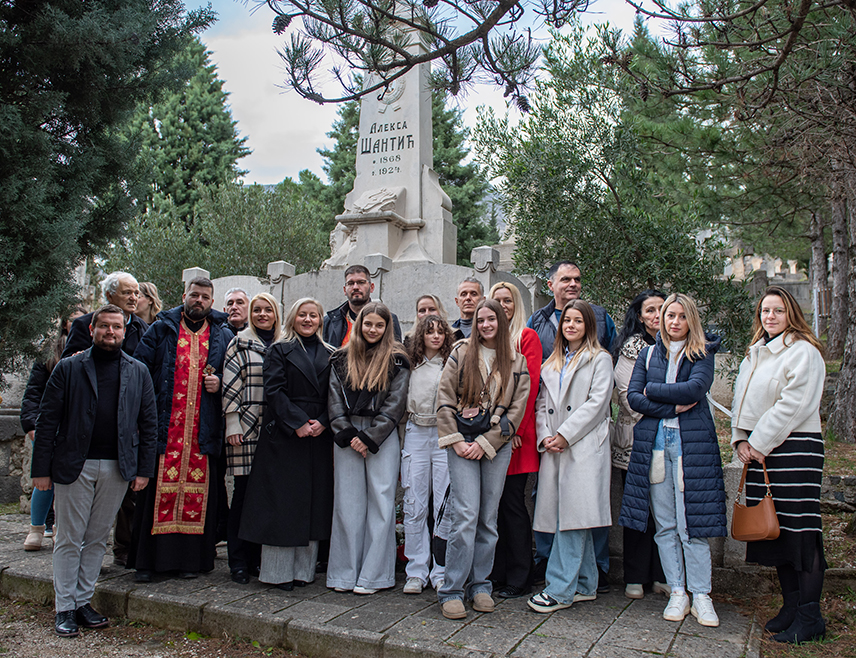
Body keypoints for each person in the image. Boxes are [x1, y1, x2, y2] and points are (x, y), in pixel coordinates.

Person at [31, 304, 157, 637]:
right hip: (75, 464)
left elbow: (149, 422)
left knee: (97, 538)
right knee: (70, 538)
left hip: (117, 467)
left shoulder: (138, 371)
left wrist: (143, 469)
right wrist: (40, 470)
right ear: (92, 330)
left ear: (124, 331)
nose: (111, 332)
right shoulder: (69, 368)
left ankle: (84, 600)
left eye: (117, 327)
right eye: (104, 327)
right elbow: (47, 423)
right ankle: (65, 607)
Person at [618, 293, 726, 628]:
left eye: (681, 316)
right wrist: (669, 403)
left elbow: (695, 389)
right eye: (669, 316)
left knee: (692, 524)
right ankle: (678, 591)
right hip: (655, 445)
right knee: (664, 524)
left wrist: (655, 392)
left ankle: (702, 594)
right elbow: (635, 397)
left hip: (691, 445)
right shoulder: (649, 354)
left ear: (690, 319)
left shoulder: (702, 352)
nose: (674, 322)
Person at [731, 286, 827, 644]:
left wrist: (757, 443)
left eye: (778, 311)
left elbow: (794, 405)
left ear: (792, 314)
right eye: (765, 311)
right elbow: (743, 402)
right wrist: (740, 439)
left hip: (794, 449)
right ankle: (791, 607)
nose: (770, 317)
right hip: (760, 451)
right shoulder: (756, 353)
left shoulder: (804, 352)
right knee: (777, 531)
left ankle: (810, 615)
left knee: (801, 532)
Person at [129, 277, 232, 581]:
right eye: (195, 295)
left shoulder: (221, 334)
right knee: (155, 495)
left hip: (203, 431)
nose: (199, 301)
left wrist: (221, 382)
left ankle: (191, 562)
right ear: (184, 295)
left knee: (198, 495)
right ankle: (149, 563)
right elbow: (139, 368)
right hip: (166, 427)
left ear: (212, 302)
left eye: (205, 297)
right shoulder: (162, 328)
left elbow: (235, 375)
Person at [435, 299, 530, 620]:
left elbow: (516, 410)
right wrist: (459, 442)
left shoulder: (517, 362)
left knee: (488, 518)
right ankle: (451, 589)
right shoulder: (460, 352)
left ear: (502, 322)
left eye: (492, 319)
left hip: (495, 446)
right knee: (465, 514)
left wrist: (487, 443)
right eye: (481, 320)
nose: (486, 325)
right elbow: (444, 397)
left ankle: (481, 585)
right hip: (460, 442)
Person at [526, 261, 615, 591]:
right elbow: (540, 402)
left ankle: (559, 589)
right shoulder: (553, 361)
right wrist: (547, 435)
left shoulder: (600, 359)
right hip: (554, 447)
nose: (572, 325)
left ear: (589, 325)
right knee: (565, 516)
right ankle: (586, 584)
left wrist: (563, 435)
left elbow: (596, 404)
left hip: (582, 446)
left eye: (579, 320)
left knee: (574, 520)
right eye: (568, 320)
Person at [240, 298, 335, 591]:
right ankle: (277, 572)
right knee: (282, 506)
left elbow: (335, 395)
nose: (308, 320)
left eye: (314, 315)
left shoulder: (332, 354)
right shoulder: (279, 350)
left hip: (318, 436)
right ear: (293, 318)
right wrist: (297, 423)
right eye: (302, 315)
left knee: (311, 504)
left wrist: (323, 421)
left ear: (321, 320)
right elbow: (274, 391)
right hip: (285, 435)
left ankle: (303, 572)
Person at [326, 302, 410, 594]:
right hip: (347, 435)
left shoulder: (398, 361)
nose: (373, 329)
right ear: (359, 325)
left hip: (381, 437)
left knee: (382, 502)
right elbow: (334, 402)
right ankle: (343, 573)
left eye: (379, 325)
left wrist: (370, 437)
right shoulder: (340, 358)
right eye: (368, 324)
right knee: (347, 504)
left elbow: (395, 406)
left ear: (387, 328)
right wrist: (349, 435)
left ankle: (375, 575)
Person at [612, 291, 670, 600]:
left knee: (665, 510)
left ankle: (662, 575)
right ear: (640, 315)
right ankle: (635, 575)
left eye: (663, 308)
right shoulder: (630, 349)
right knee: (637, 510)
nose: (657, 314)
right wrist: (666, 411)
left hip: (669, 440)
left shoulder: (679, 348)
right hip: (634, 439)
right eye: (651, 309)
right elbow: (627, 395)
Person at [221, 293, 282, 584]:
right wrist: (232, 422)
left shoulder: (283, 343)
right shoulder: (239, 343)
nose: (261, 314)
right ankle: (238, 561)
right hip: (246, 427)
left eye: (267, 310)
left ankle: (259, 558)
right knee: (243, 495)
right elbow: (230, 382)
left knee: (266, 496)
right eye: (256, 310)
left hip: (276, 431)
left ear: (276, 313)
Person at [487, 282, 542, 599]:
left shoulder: (526, 337)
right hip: (489, 434)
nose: (503, 305)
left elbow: (530, 388)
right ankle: (497, 572)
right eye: (497, 300)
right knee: (493, 507)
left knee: (512, 505)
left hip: (516, 435)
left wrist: (516, 431)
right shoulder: (489, 339)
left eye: (508, 300)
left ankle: (520, 576)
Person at [20, 307, 85, 551]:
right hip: (49, 427)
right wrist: (30, 424)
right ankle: (36, 529)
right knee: (43, 480)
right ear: (65, 324)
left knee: (67, 484)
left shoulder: (92, 351)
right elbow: (33, 391)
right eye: (73, 321)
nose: (77, 324)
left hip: (75, 427)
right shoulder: (49, 352)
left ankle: (60, 528)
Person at [401, 314, 455, 595]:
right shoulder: (411, 365)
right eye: (429, 331)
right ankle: (416, 570)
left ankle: (441, 570)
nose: (435, 336)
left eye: (440, 332)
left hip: (443, 434)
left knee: (443, 507)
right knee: (414, 503)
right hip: (416, 432)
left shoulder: (451, 364)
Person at [63, 271, 148, 358]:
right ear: (109, 295)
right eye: (127, 293)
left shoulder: (143, 328)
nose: (133, 298)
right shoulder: (83, 324)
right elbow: (68, 363)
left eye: (136, 293)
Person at [324, 265, 402, 347]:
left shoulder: (389, 319)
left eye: (361, 282)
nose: (355, 287)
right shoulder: (330, 321)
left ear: (371, 287)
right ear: (344, 290)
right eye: (350, 283)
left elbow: (396, 354)